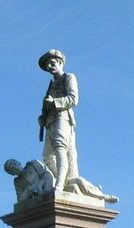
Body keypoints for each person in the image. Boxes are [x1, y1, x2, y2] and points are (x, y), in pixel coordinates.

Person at [38, 49, 79, 191]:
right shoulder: (50, 85)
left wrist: (54, 102)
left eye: (52, 62)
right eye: (48, 64)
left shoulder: (69, 77)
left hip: (63, 117)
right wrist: (42, 118)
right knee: (48, 157)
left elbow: (73, 99)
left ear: (60, 62)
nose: (50, 66)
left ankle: (60, 184)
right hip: (50, 121)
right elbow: (46, 107)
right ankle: (61, 178)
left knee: (60, 148)